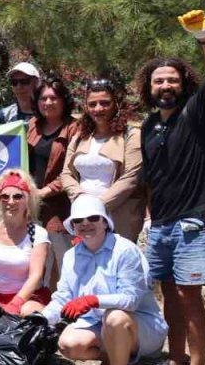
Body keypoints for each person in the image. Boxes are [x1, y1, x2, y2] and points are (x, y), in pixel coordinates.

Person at [130, 10, 205, 365]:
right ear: (149, 87)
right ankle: (175, 360)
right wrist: (152, 217)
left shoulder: (198, 112)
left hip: (193, 222)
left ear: (183, 83)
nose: (165, 85)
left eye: (171, 79)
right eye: (158, 80)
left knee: (190, 297)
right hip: (163, 223)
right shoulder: (151, 125)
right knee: (168, 294)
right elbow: (152, 176)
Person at [38, 194, 168, 365]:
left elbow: (131, 300)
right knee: (69, 344)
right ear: (72, 226)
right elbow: (62, 298)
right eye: (79, 220)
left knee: (115, 317)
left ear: (105, 222)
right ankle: (115, 360)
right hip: (100, 323)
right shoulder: (72, 256)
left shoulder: (125, 250)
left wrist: (93, 300)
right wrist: (39, 319)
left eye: (93, 218)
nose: (86, 224)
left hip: (140, 325)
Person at [60, 79, 147, 243]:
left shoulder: (131, 135)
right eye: (92, 104)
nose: (98, 109)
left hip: (119, 219)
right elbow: (66, 173)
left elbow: (131, 178)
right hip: (83, 217)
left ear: (116, 104)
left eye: (104, 103)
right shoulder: (80, 137)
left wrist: (97, 206)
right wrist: (80, 199)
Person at [0, 170, 52, 315]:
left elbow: (36, 276)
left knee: (27, 312)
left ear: (27, 200)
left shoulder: (37, 234)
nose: (10, 202)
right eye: (5, 196)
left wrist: (16, 303)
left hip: (29, 298)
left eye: (17, 196)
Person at [28, 75, 80, 281]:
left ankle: (67, 308)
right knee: (38, 260)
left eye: (54, 98)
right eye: (43, 98)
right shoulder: (31, 125)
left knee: (64, 260)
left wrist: (45, 191)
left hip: (60, 206)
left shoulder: (75, 128)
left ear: (64, 100)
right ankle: (40, 307)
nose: (48, 103)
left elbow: (73, 167)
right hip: (32, 205)